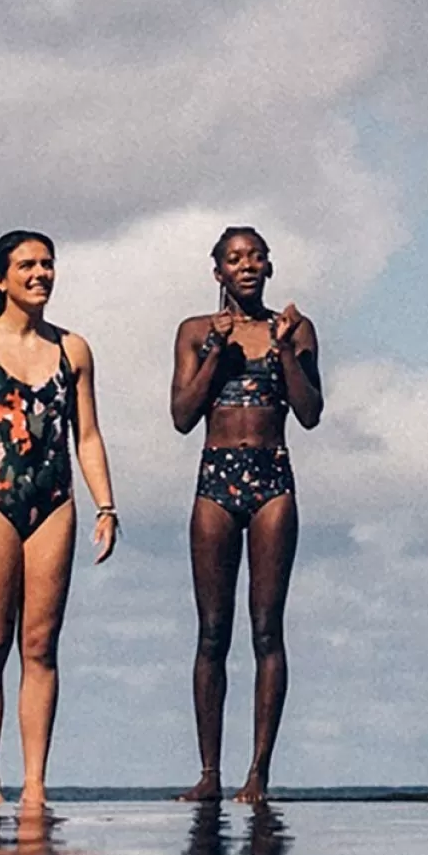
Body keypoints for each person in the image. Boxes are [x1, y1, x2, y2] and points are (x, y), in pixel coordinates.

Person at [0, 232, 119, 809]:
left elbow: (85, 435)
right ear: (0, 278)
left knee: (40, 644)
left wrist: (106, 503)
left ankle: (34, 782)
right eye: (27, 265)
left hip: (54, 498)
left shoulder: (73, 350)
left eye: (47, 264)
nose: (41, 273)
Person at [171, 227, 322, 802]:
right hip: (216, 477)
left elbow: (309, 413)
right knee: (212, 632)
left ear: (270, 266)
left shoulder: (295, 330)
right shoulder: (194, 331)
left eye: (257, 257)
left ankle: (258, 770)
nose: (248, 266)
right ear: (218, 272)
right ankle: (209, 773)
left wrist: (284, 349)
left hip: (271, 478)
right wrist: (215, 353)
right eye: (236, 259)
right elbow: (183, 415)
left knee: (266, 629)